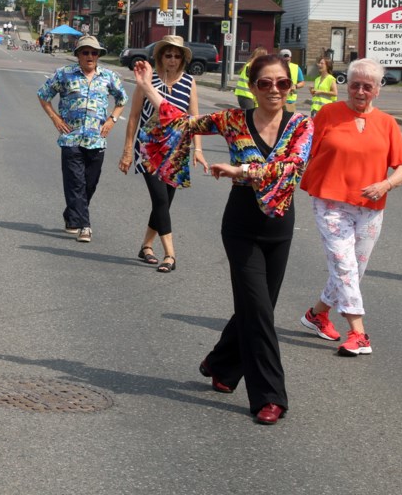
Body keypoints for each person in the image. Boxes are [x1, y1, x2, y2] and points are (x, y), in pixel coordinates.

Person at [134, 53, 313, 425]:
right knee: (259, 310)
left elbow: (292, 166)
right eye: (265, 83)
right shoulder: (233, 119)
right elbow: (183, 123)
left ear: (291, 87)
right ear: (252, 87)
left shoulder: (301, 125)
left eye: (282, 83)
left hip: (279, 226)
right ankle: (270, 396)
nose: (274, 90)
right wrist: (148, 87)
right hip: (241, 226)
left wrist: (240, 169)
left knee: (257, 308)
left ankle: (221, 364)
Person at [298, 58, 402, 356]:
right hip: (330, 202)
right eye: (355, 84)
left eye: (367, 86)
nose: (360, 91)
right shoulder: (328, 113)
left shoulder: (387, 123)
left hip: (370, 207)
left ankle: (317, 314)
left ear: (377, 90)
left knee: (352, 270)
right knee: (345, 266)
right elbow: (302, 150)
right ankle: (359, 334)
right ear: (346, 85)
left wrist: (385, 184)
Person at [118, 35, 207, 272]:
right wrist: (128, 151)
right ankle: (170, 254)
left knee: (164, 203)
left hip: (177, 150)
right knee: (159, 199)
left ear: (183, 59)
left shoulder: (189, 82)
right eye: (168, 55)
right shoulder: (148, 80)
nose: (172, 60)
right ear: (160, 56)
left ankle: (146, 245)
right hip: (148, 148)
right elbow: (134, 116)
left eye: (177, 56)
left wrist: (198, 149)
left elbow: (194, 120)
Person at [37, 35, 128, 244]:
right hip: (71, 138)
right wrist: (55, 119)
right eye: (85, 52)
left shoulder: (108, 76)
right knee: (76, 183)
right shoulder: (64, 74)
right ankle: (85, 226)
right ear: (77, 54)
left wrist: (112, 120)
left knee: (90, 184)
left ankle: (72, 215)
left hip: (97, 139)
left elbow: (122, 99)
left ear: (98, 55)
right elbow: (43, 95)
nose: (89, 56)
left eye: (93, 53)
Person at [234, 46, 267, 110]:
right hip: (247, 95)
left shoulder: (250, 64)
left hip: (245, 94)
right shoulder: (254, 66)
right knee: (250, 117)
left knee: (251, 116)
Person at [279, 49, 305, 113]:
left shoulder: (296, 68)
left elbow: (302, 82)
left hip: (290, 101)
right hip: (278, 99)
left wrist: (296, 86)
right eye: (284, 58)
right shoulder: (276, 67)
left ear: (290, 57)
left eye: (288, 58)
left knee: (288, 121)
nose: (287, 60)